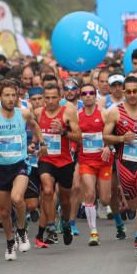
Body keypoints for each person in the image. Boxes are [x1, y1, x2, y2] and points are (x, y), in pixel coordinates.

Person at [0, 79, 38, 260]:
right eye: (7, 95)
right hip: (0, 167)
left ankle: (21, 230)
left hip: (20, 164)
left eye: (14, 95)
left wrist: (40, 142)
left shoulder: (24, 113)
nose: (11, 99)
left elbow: (35, 126)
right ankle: (10, 242)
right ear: (0, 97)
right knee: (4, 212)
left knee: (16, 198)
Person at [104, 75, 137, 257]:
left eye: (135, 91)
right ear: (124, 92)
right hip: (125, 165)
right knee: (135, 205)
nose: (132, 95)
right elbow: (105, 135)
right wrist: (120, 138)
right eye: (129, 91)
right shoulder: (115, 112)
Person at [33, 83, 80, 248]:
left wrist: (64, 131)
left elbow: (80, 138)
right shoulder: (38, 113)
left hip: (65, 161)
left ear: (60, 98)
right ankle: (51, 225)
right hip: (47, 160)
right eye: (47, 98)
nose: (51, 101)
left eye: (54, 97)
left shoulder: (68, 113)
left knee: (65, 200)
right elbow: (36, 134)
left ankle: (66, 223)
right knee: (47, 189)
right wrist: (34, 144)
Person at [75, 80, 112, 246]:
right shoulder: (77, 116)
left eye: (91, 93)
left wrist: (109, 146)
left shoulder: (104, 113)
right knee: (89, 193)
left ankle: (102, 204)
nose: (88, 96)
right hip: (86, 161)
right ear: (81, 97)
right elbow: (73, 137)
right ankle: (93, 232)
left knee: (105, 199)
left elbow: (113, 133)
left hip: (104, 161)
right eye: (85, 94)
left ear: (96, 96)